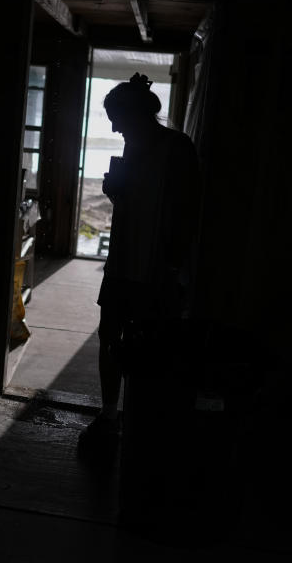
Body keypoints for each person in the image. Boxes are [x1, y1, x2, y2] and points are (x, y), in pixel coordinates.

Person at [78, 72, 200, 453]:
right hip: (125, 259)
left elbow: (188, 211)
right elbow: (134, 203)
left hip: (158, 266)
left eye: (116, 118)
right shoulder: (134, 146)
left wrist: (175, 267)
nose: (113, 128)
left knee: (150, 344)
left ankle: (143, 415)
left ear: (134, 115)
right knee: (109, 335)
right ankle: (110, 412)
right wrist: (116, 194)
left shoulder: (178, 148)